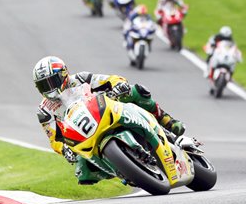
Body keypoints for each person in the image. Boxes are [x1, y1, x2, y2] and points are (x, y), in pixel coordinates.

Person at [33, 55, 186, 184]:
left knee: (136, 91)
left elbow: (111, 79)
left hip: (106, 111)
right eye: (42, 85)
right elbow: (54, 139)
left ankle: (167, 120)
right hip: (83, 136)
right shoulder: (44, 110)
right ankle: (123, 171)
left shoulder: (81, 79)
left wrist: (119, 85)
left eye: (51, 82)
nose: (48, 88)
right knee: (83, 175)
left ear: (63, 75)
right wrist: (65, 150)